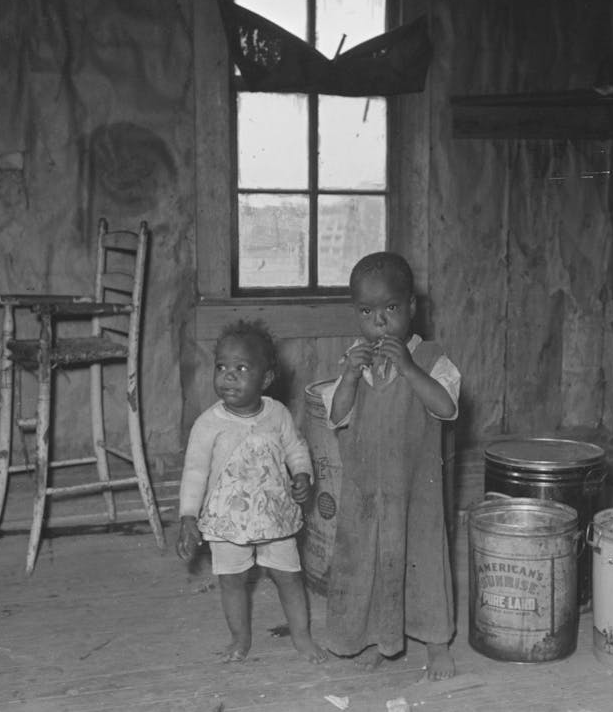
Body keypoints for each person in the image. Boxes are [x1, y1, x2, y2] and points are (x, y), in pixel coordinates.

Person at [320, 251, 460, 680]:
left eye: (391, 309)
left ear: (412, 308)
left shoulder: (431, 357)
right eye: (366, 311)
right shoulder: (354, 361)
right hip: (366, 495)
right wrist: (347, 377)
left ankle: (437, 645)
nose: (379, 322)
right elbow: (336, 415)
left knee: (423, 563)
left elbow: (447, 406)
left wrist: (410, 367)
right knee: (368, 566)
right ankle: (382, 641)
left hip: (416, 493)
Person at [176, 320, 327, 664]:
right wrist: (188, 515)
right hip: (227, 521)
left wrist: (302, 474)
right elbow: (195, 471)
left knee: (289, 578)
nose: (229, 375)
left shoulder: (277, 414)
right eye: (222, 367)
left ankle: (302, 638)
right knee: (232, 582)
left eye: (241, 368)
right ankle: (240, 639)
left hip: (274, 516)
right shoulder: (208, 424)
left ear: (267, 379)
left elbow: (295, 448)